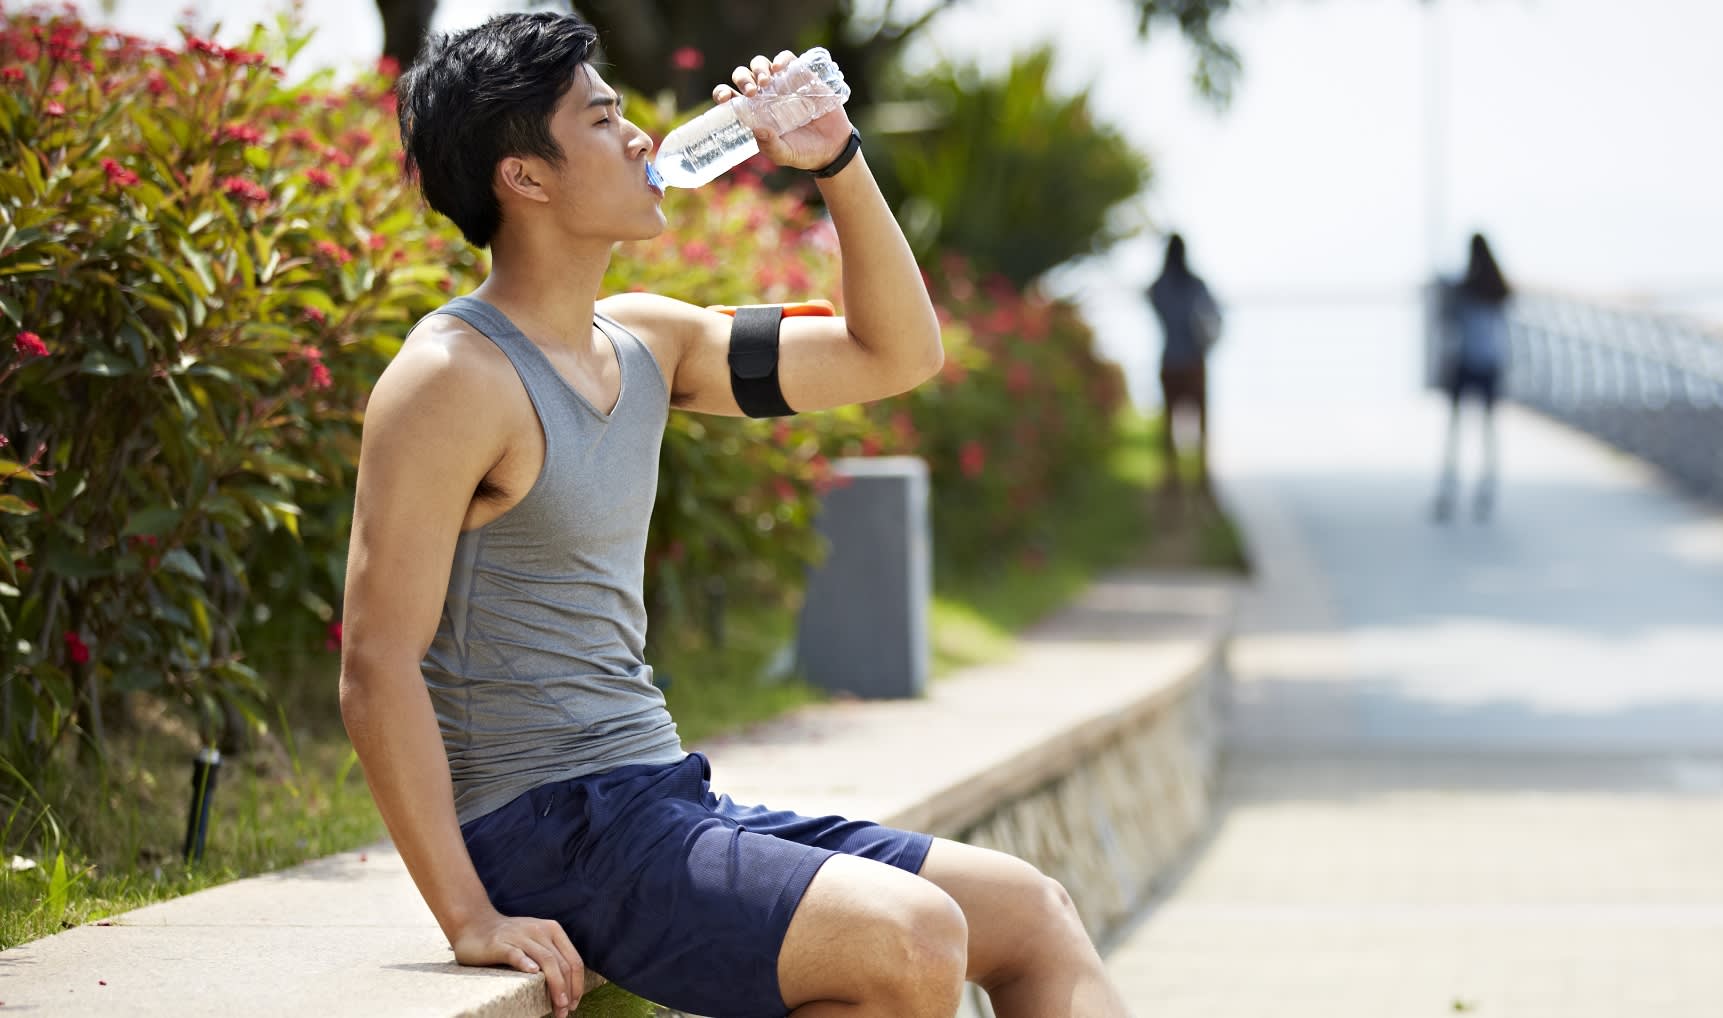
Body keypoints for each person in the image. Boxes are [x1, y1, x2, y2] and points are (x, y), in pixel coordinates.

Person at [339, 13, 1131, 1018]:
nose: (640, 136)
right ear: (524, 176)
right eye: (601, 120)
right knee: (911, 934)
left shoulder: (645, 341)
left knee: (1030, 910)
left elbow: (896, 354)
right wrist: (469, 915)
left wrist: (835, 158)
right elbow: (376, 663)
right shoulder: (453, 377)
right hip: (548, 826)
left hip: (660, 795)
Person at [1432, 232, 1513, 523]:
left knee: (1455, 428)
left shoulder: (1464, 289)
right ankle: (1487, 487)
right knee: (1487, 428)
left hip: (1466, 362)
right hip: (1490, 362)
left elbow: (1447, 322)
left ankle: (1449, 487)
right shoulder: (1498, 289)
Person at [1146, 233, 1220, 503]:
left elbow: (1153, 305)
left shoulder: (1158, 287)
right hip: (1194, 362)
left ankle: (1173, 482)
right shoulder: (1196, 284)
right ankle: (1202, 482)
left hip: (1170, 361)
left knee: (1168, 425)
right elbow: (1213, 316)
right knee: (1201, 425)